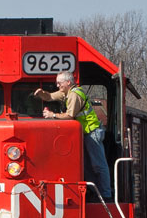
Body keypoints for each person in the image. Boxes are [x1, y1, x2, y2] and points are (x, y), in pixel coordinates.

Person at [34, 71, 112, 201]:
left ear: (68, 82)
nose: (57, 85)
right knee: (87, 166)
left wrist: (53, 115)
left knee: (98, 165)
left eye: (59, 83)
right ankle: (97, 193)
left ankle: (106, 195)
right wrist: (41, 94)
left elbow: (70, 116)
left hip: (92, 132)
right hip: (85, 134)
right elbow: (50, 97)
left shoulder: (75, 95)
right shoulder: (66, 92)